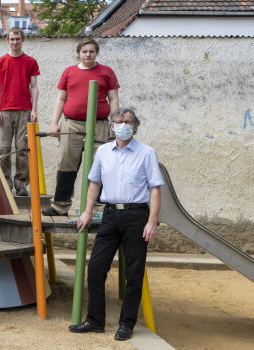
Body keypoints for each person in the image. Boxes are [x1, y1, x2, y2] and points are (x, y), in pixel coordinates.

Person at [69, 108, 163, 341]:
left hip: (136, 217)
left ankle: (126, 324)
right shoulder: (103, 152)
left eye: (128, 122)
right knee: (96, 269)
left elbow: (155, 189)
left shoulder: (147, 153)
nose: (123, 125)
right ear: (111, 127)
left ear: (135, 126)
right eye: (119, 122)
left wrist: (152, 221)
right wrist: (87, 212)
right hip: (110, 216)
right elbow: (94, 185)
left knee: (134, 273)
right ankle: (95, 320)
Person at [43, 38, 119, 216]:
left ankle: (99, 208)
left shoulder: (106, 72)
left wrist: (113, 123)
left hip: (99, 124)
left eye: (91, 51)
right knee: (66, 163)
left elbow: (113, 98)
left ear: (96, 53)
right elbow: (61, 98)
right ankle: (60, 205)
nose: (88, 54)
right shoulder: (69, 72)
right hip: (71, 124)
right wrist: (55, 123)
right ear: (79, 53)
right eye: (84, 51)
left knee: (100, 166)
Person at [0, 27, 40, 196]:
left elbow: (34, 87)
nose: (14, 42)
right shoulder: (0, 62)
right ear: (7, 40)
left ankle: (20, 185)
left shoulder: (31, 61)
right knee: (3, 149)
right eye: (11, 39)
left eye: (17, 39)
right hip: (4, 110)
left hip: (24, 110)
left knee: (22, 149)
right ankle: (5, 184)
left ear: (22, 40)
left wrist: (34, 109)